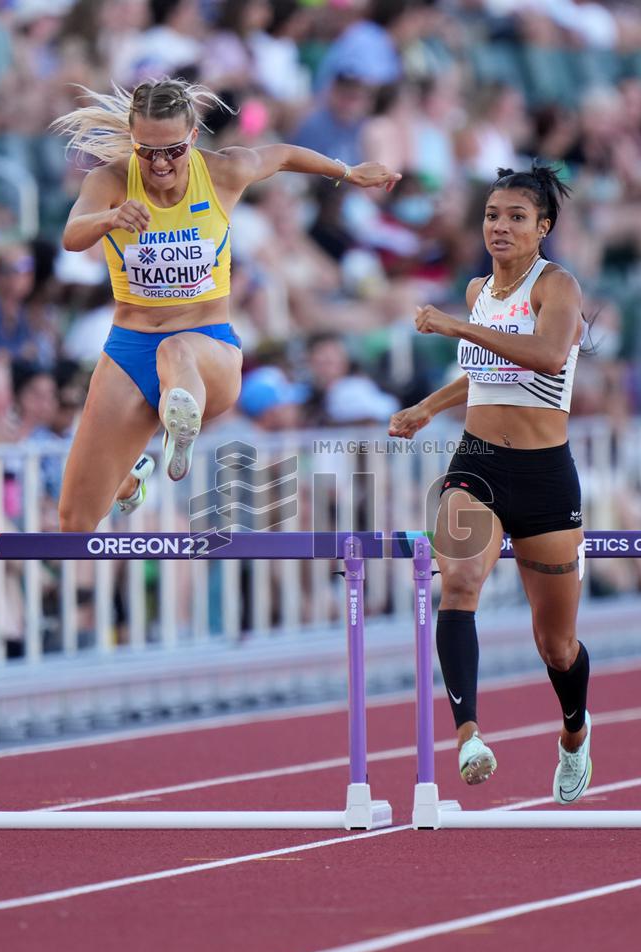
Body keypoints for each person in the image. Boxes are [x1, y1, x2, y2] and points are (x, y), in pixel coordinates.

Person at [52, 77, 400, 531]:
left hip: (208, 348)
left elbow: (283, 155)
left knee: (174, 351)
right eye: (147, 151)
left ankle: (181, 424)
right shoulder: (112, 180)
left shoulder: (221, 172)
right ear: (134, 142)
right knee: (74, 522)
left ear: (193, 138)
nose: (160, 164)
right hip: (129, 351)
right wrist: (110, 217)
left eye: (173, 150)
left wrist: (347, 172)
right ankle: (129, 476)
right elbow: (71, 234)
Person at [389, 164, 592, 805]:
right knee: (460, 581)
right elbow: (485, 372)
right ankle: (469, 735)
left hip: (545, 475)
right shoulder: (480, 288)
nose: (500, 228)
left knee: (556, 646)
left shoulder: (556, 286)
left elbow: (546, 356)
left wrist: (456, 326)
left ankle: (574, 730)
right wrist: (429, 406)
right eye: (492, 216)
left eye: (516, 218)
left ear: (543, 228)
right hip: (477, 462)